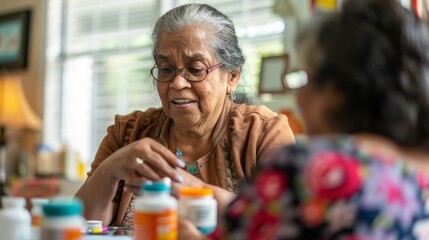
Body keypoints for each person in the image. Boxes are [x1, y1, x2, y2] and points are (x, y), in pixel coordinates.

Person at [179, 0, 429, 239]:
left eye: (306, 78)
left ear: (337, 92)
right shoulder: (418, 176)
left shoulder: (315, 168)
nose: (299, 96)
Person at [74, 3, 295, 228]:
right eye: (166, 69)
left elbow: (282, 222)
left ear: (232, 77)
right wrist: (111, 168)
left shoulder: (264, 132)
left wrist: (182, 185)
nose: (177, 83)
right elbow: (80, 225)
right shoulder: (127, 133)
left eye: (196, 69)